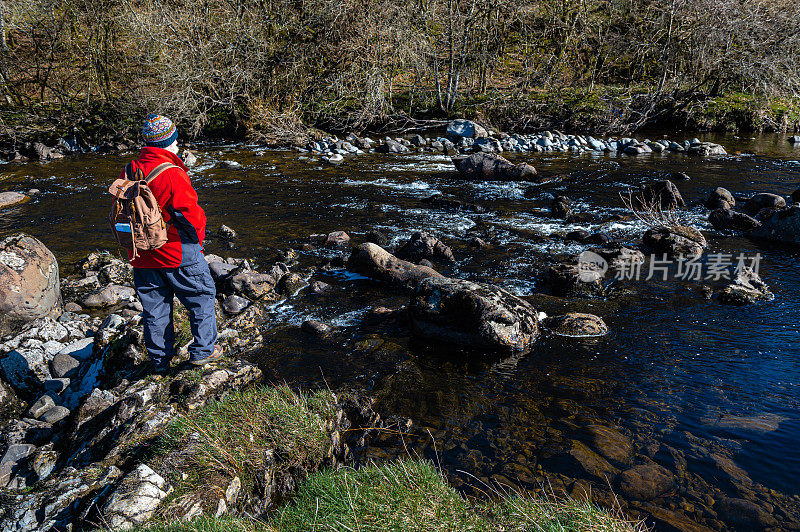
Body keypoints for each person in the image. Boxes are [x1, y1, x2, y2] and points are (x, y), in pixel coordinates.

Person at [121, 113, 222, 373]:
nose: (178, 145)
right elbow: (190, 214)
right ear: (169, 141)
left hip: (141, 253)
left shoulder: (131, 169)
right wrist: (197, 243)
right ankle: (203, 351)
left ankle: (159, 362)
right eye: (175, 140)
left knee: (154, 309)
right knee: (202, 297)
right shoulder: (172, 172)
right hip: (177, 251)